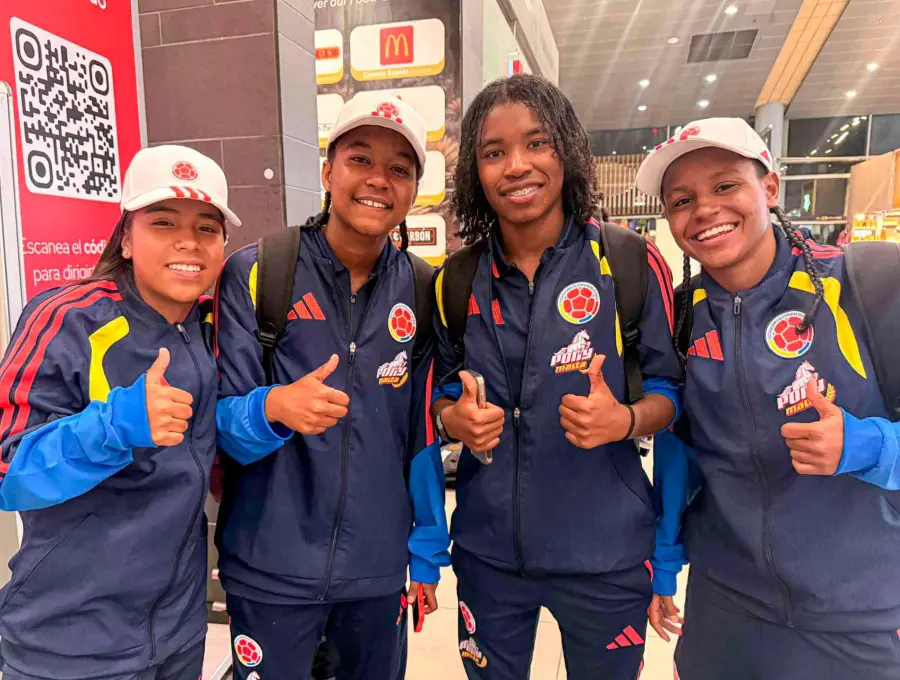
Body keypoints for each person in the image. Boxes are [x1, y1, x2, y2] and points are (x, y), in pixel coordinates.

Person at [430, 74, 682, 680]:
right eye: (494, 152)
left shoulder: (627, 262)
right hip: (489, 556)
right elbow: (440, 394)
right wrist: (453, 418)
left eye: (537, 143)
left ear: (566, 151)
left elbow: (670, 393)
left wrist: (625, 420)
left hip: (607, 557)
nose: (517, 165)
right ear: (475, 172)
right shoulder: (455, 280)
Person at [637, 118, 900, 679]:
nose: (704, 209)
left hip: (858, 614)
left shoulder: (869, 283)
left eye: (725, 185)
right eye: (682, 200)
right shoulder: (683, 315)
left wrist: (866, 445)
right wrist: (665, 563)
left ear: (771, 187)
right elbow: (682, 452)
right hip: (723, 607)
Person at [213, 94, 450, 680]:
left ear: (413, 191)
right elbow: (221, 425)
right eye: (360, 159)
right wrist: (273, 407)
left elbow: (419, 437)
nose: (378, 180)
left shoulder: (423, 290)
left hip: (375, 574)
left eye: (399, 169)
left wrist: (424, 553)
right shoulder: (260, 270)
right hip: (269, 570)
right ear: (327, 172)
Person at [0, 145, 237, 679]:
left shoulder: (211, 325)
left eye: (207, 228)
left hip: (179, 636)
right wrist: (113, 427)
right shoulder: (67, 317)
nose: (188, 241)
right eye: (163, 222)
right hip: (68, 644)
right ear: (126, 238)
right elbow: (7, 472)